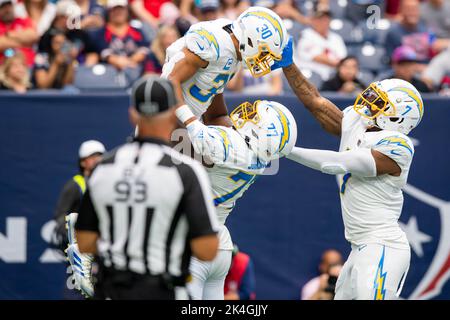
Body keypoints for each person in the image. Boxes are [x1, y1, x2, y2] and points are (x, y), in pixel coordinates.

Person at [274, 39, 423, 300]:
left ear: (399, 118)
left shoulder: (398, 146)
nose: (370, 101)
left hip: (382, 246)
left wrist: (285, 149)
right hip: (359, 248)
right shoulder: (359, 121)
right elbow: (317, 103)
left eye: (381, 102)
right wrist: (289, 66)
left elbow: (334, 163)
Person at [73, 76, 220, 300]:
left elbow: (84, 242)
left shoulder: (103, 167)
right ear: (173, 114)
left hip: (110, 289)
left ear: (133, 114)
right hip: (161, 289)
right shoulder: (185, 171)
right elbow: (207, 249)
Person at [175, 98, 297, 299]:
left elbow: (175, 134)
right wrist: (217, 83)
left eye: (255, 117)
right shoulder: (257, 155)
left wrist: (176, 82)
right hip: (219, 244)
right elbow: (217, 116)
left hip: (194, 241)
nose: (248, 114)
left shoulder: (229, 145)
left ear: (260, 131)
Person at [162, 6, 289, 126]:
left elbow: (215, 116)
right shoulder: (214, 45)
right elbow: (169, 81)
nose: (264, 59)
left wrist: (239, 133)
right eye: (264, 52)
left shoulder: (234, 53)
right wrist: (190, 122)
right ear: (250, 40)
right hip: (169, 120)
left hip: (191, 122)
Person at [52, 139, 105, 299]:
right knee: (77, 294)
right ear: (83, 162)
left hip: (102, 254)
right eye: (93, 156)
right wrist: (75, 239)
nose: (98, 160)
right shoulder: (75, 185)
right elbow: (60, 218)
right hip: (81, 256)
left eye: (100, 156)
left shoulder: (107, 183)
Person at [295, 2, 347, 81]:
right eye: (320, 19)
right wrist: (335, 62)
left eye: (326, 18)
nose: (323, 22)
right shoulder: (306, 35)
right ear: (313, 20)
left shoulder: (336, 38)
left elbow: (343, 59)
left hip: (332, 78)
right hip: (310, 77)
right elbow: (316, 57)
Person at [92, 0, 149, 71]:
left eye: (121, 9)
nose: (118, 13)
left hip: (136, 69)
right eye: (115, 10)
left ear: (127, 11)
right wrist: (119, 61)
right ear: (109, 12)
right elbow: (104, 53)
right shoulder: (101, 32)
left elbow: (144, 49)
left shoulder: (136, 30)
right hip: (109, 72)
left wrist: (131, 61)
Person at [0, 0, 39, 66]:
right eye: (3, 7)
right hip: (4, 66)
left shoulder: (23, 21)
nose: (7, 10)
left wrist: (7, 35)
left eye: (9, 6)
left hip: (27, 64)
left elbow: (34, 36)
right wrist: (24, 42)